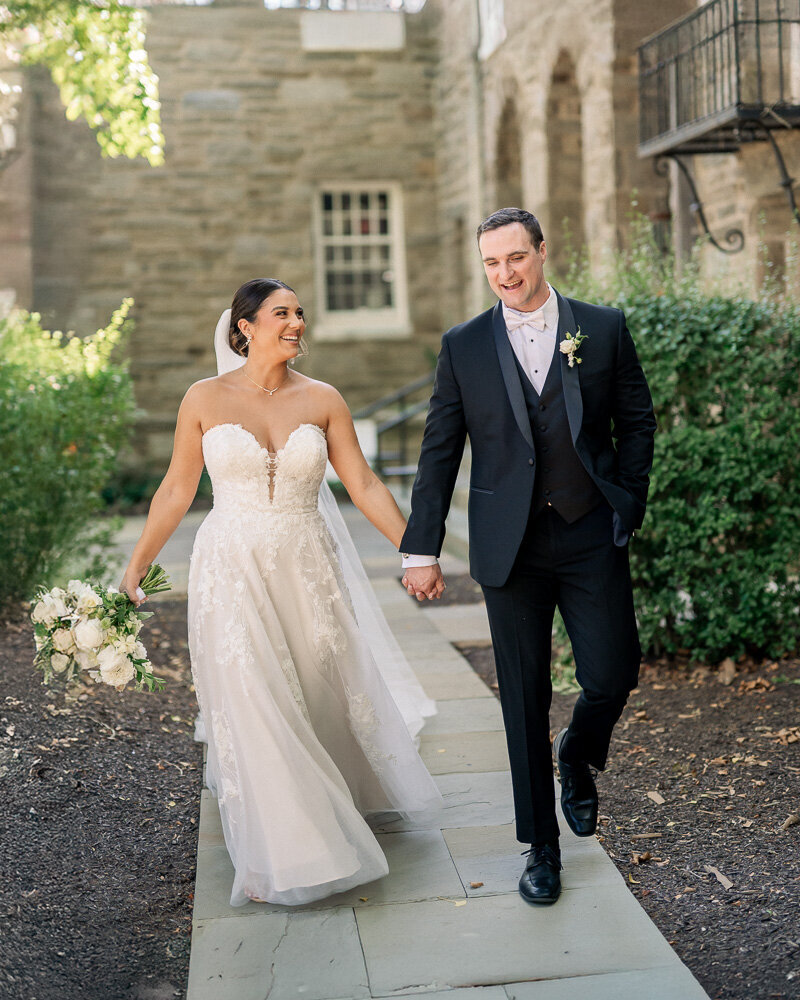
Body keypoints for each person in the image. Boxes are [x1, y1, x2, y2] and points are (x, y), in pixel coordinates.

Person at [120, 278, 442, 907]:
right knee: (253, 695)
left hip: (306, 561)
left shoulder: (323, 398)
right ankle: (288, 847)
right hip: (230, 564)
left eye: (300, 312)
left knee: (320, 684)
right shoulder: (203, 398)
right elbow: (175, 491)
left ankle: (341, 793)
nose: (297, 322)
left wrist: (416, 551)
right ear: (245, 326)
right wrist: (137, 565)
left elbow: (366, 485)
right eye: (281, 313)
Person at [400, 208, 656, 905]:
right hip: (508, 545)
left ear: (542, 252)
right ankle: (540, 848)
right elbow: (438, 451)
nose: (505, 274)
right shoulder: (464, 346)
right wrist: (420, 546)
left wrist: (626, 500)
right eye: (492, 263)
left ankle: (578, 754)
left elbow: (636, 419)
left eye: (516, 257)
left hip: (588, 531)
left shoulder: (600, 328)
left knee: (612, 672)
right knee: (522, 698)